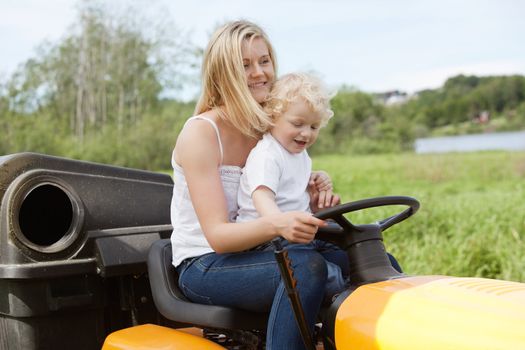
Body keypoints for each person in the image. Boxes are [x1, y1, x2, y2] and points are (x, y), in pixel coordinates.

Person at [170, 20, 340, 349]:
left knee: (362, 256)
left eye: (264, 61)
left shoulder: (267, 126)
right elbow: (219, 237)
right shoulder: (201, 134)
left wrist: (312, 195)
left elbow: (282, 185)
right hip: (205, 263)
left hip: (258, 251)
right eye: (245, 65)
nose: (260, 72)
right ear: (223, 74)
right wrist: (279, 223)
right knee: (304, 269)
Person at [237, 72, 348, 299]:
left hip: (297, 237)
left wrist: (318, 181)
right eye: (298, 124)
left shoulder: (300, 154)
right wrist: (279, 224)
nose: (306, 133)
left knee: (357, 254)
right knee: (330, 274)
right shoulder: (268, 154)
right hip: (267, 242)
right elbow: (262, 196)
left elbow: (297, 190)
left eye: (314, 127)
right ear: (273, 117)